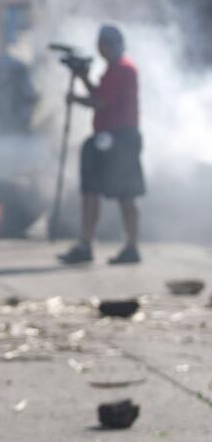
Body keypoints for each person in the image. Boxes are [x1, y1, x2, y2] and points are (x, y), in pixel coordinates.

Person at [57, 25, 145, 265]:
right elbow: (100, 94)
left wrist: (76, 98)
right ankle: (87, 243)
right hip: (110, 137)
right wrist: (84, 78)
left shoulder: (123, 70)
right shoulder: (113, 70)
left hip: (120, 139)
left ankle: (131, 245)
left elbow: (101, 102)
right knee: (92, 191)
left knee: (126, 194)